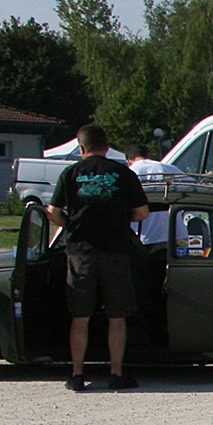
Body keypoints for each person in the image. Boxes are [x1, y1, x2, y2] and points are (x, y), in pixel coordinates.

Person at [48, 123, 148, 391]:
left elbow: (52, 211)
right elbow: (142, 212)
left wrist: (70, 224)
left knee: (80, 317)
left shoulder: (70, 174)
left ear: (81, 148)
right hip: (116, 251)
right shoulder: (123, 174)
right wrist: (120, 218)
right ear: (106, 147)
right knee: (117, 316)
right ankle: (116, 374)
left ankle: (77, 375)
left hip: (81, 253)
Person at [125, 142, 180, 245]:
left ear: (128, 161)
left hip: (145, 236)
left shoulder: (129, 173)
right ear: (148, 156)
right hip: (176, 233)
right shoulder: (169, 168)